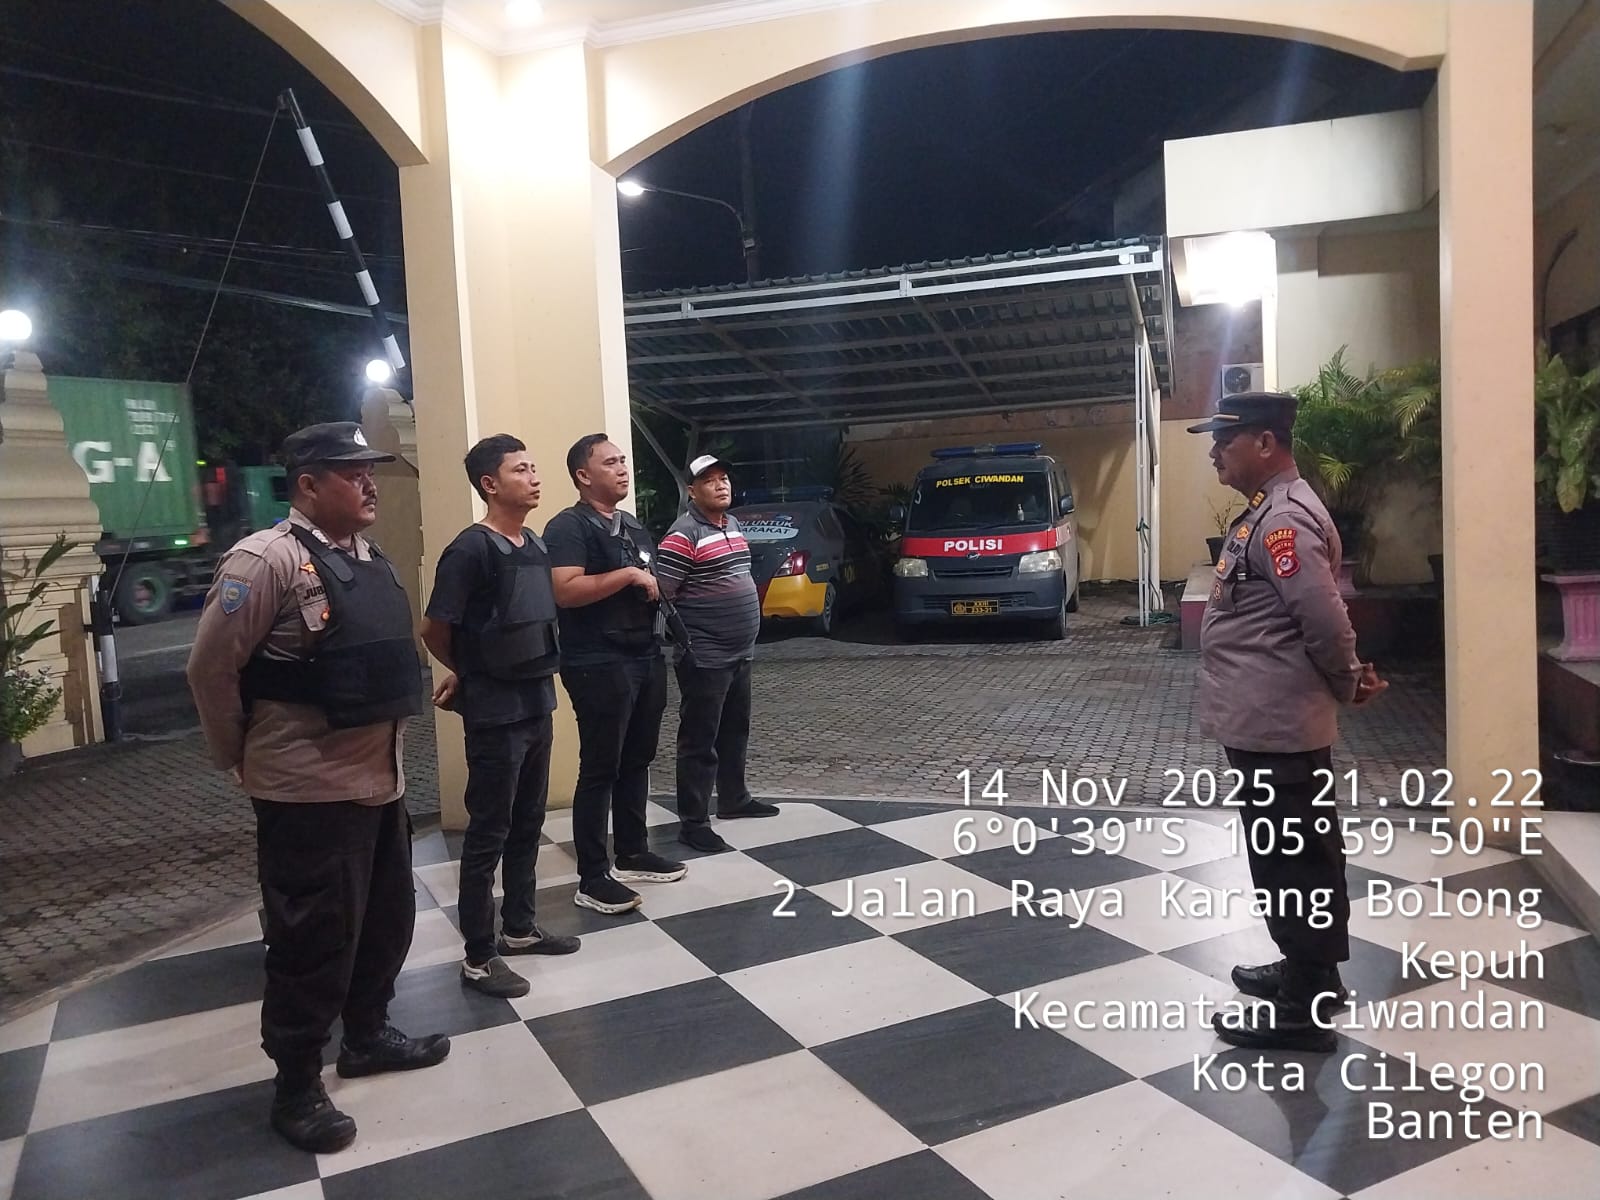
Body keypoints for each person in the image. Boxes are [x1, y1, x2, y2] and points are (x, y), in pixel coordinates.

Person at [186, 421, 448, 1156]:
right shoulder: (264, 560)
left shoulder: (367, 556)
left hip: (380, 783)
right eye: (350, 472)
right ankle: (296, 1084)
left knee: (386, 923)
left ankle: (366, 1035)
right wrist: (237, 757)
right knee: (311, 943)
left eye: (370, 470)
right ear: (307, 484)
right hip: (307, 790)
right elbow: (210, 669)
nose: (368, 483)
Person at [1187, 392, 1388, 1053]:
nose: (1215, 452)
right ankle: (1310, 972)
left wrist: (1348, 678)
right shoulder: (1267, 512)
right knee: (1288, 854)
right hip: (1266, 723)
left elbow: (1324, 619)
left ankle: (1305, 1008)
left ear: (1266, 443)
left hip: (1280, 727)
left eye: (1226, 440)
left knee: (1294, 860)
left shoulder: (1285, 521)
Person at [421, 434, 580, 1000]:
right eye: (521, 470)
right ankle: (478, 956)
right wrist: (469, 671)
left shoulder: (533, 543)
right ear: (490, 484)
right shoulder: (470, 550)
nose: (534, 478)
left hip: (538, 702)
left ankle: (520, 927)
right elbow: (434, 629)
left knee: (528, 821)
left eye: (534, 468)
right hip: (495, 713)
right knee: (488, 831)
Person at [544, 434, 688, 914]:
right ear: (583, 476)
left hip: (644, 654)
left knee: (638, 758)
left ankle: (632, 850)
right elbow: (565, 591)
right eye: (610, 462)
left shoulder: (631, 526)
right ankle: (593, 875)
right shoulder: (568, 527)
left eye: (623, 460)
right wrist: (627, 577)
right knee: (601, 766)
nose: (623, 468)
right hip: (597, 661)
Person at [654, 454, 779, 853]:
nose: (721, 485)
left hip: (740, 652)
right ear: (692, 491)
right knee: (699, 741)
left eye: (724, 478)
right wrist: (687, 639)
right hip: (704, 657)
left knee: (735, 729)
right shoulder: (682, 535)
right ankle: (693, 822)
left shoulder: (733, 525)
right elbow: (663, 595)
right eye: (710, 480)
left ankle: (734, 798)